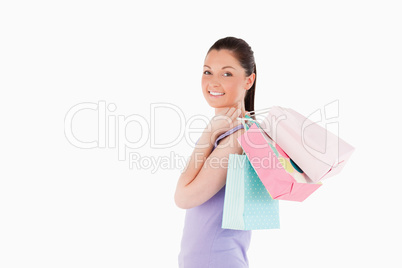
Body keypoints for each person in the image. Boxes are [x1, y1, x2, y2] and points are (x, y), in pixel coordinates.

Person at [174, 36, 257, 268]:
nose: (213, 82)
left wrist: (207, 134)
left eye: (227, 73)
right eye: (208, 72)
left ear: (248, 81)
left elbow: (183, 198)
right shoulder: (235, 131)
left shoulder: (237, 137)